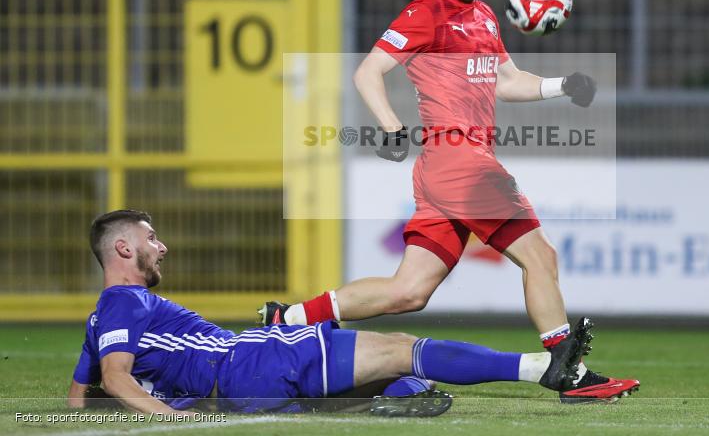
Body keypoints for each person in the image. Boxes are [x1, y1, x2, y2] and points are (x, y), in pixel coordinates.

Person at [261, 0, 639, 403]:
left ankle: (285, 319)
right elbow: (368, 70)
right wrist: (391, 126)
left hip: (446, 172)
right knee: (540, 255)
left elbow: (505, 80)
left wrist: (560, 86)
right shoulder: (426, 12)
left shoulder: (483, 15)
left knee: (409, 291)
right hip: (461, 163)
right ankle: (568, 366)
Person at [68, 210, 594, 418]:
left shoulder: (103, 320)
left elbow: (80, 401)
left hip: (237, 388)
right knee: (402, 351)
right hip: (251, 361)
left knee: (396, 381)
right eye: (150, 238)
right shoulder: (125, 301)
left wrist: (164, 401)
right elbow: (115, 380)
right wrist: (171, 417)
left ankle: (372, 406)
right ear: (121, 251)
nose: (162, 247)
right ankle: (541, 368)